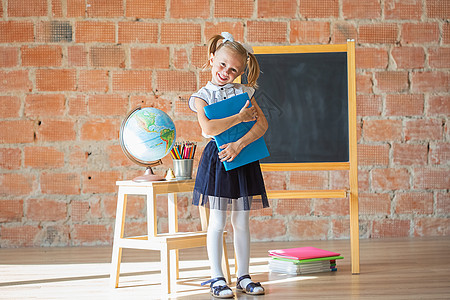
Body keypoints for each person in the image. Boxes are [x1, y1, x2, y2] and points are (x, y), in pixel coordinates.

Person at [188, 32, 269, 298]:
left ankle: (243, 276)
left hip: (242, 156)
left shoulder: (245, 91)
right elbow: (208, 127)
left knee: (242, 220)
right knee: (218, 221)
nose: (226, 72)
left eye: (234, 69)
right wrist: (239, 117)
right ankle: (217, 277)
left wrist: (239, 145)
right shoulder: (201, 96)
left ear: (241, 72)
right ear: (212, 59)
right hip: (218, 158)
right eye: (222, 65)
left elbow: (262, 125)